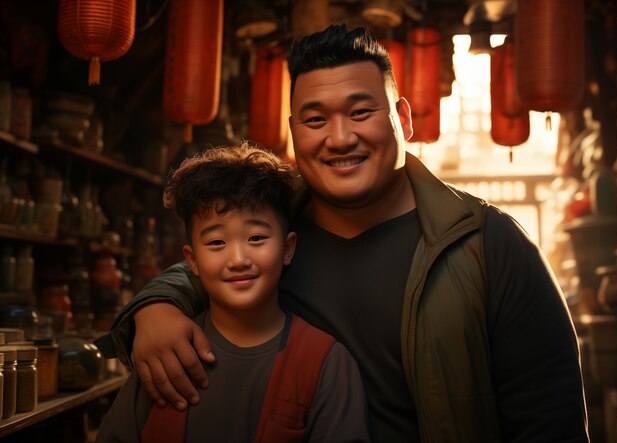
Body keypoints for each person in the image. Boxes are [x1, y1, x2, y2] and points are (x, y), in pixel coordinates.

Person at [96, 25, 589, 442]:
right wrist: (154, 308)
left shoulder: (486, 244)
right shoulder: (270, 234)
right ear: (294, 131)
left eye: (360, 112)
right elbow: (206, 266)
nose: (339, 138)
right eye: (316, 120)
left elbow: (551, 419)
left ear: (404, 119)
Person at [95, 143, 369, 442]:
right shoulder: (167, 352)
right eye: (216, 243)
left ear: (288, 248)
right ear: (193, 260)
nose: (238, 259)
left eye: (256, 237)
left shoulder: (326, 363)